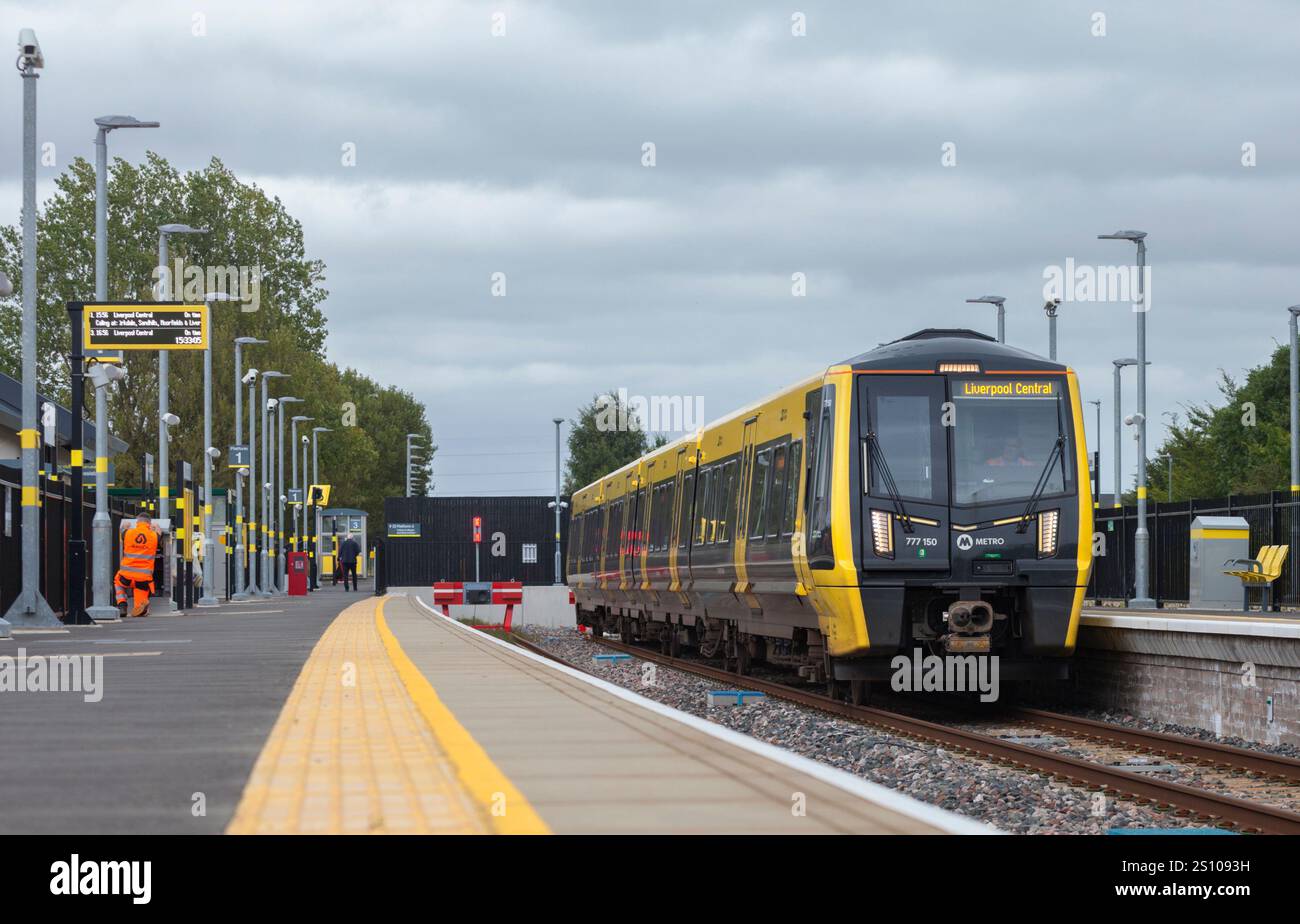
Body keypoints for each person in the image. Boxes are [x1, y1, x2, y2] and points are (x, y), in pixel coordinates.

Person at [115, 513, 159, 618]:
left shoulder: (127, 533)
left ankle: (122, 604)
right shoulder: (154, 535)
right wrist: (156, 528)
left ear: (137, 522)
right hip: (143, 580)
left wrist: (125, 526)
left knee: (117, 581)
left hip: (126, 577)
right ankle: (141, 606)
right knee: (139, 608)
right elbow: (159, 533)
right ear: (149, 523)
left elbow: (122, 531)